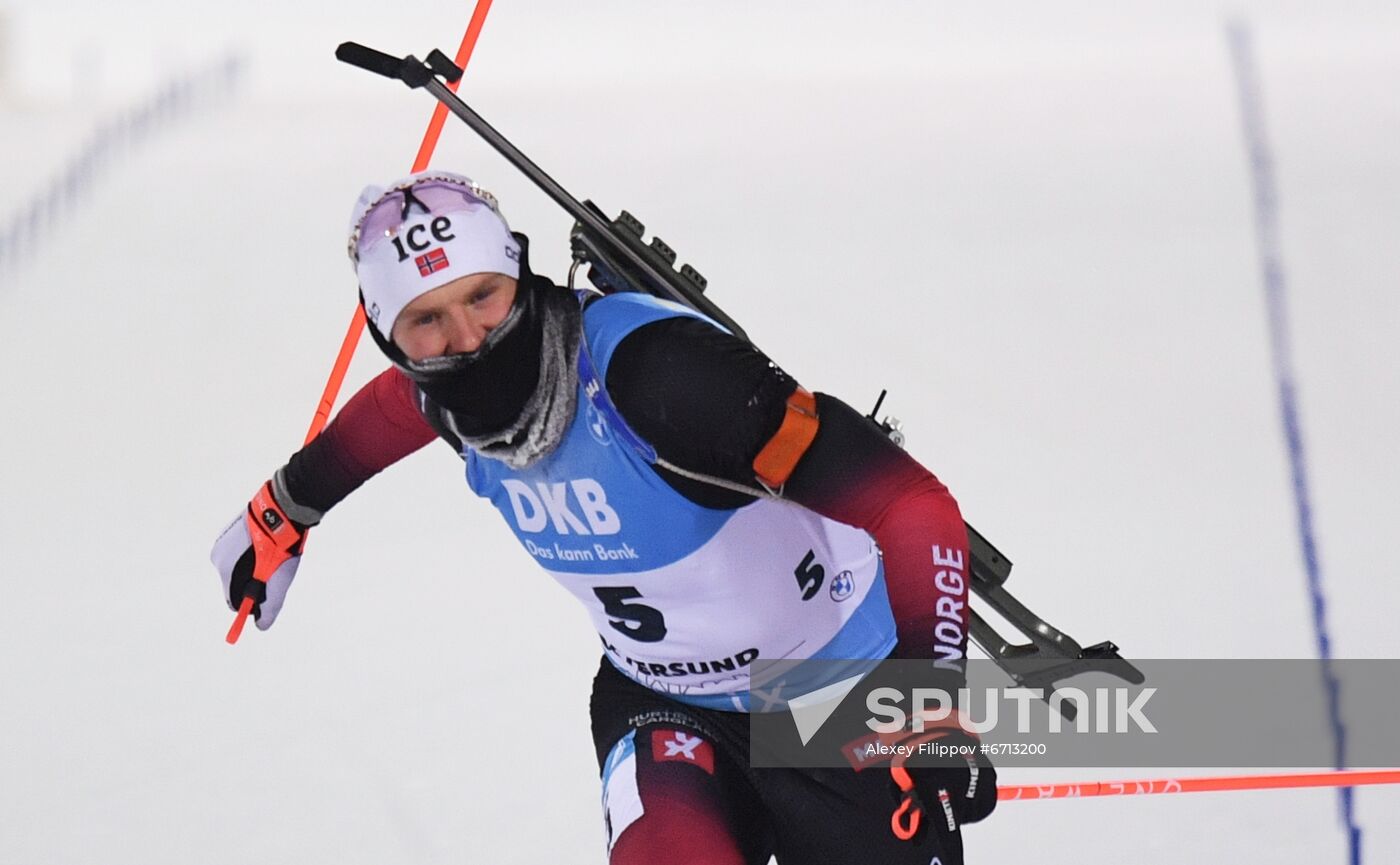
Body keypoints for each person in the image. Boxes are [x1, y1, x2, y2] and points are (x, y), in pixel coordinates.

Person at [211, 170, 996, 864]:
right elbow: (395, 410)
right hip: (663, 700)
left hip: (834, 696)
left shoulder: (659, 377)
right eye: (428, 321)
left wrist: (928, 704)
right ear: (392, 338)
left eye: (483, 296)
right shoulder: (442, 390)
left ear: (518, 274)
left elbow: (911, 504)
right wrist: (286, 506)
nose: (468, 338)